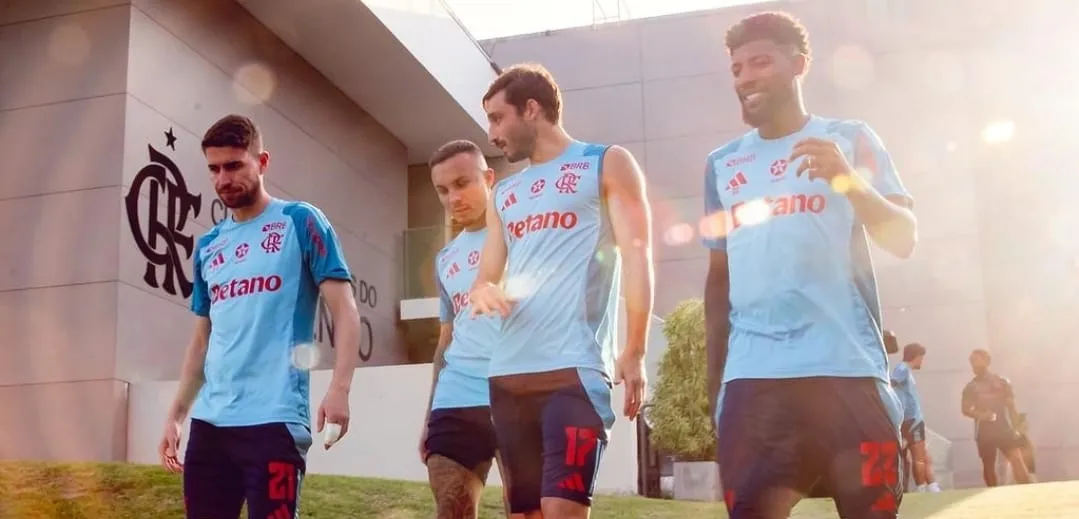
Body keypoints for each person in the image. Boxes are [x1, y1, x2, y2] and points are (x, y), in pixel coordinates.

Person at [702, 12, 918, 519]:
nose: (745, 77)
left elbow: (903, 238)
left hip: (847, 373)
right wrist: (718, 389)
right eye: (736, 69)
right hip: (755, 382)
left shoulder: (850, 138)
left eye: (760, 62)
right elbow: (718, 281)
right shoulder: (722, 164)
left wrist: (848, 179)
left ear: (799, 64)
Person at [468, 63, 654, 519]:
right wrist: (484, 291)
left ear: (531, 109)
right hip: (509, 376)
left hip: (574, 371)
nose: (492, 134)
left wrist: (634, 350)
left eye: (497, 118)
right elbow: (485, 276)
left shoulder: (605, 162)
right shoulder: (504, 194)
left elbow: (638, 256)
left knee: (561, 509)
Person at [157, 114, 361, 519]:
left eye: (234, 165)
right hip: (211, 425)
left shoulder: (301, 221)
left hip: (275, 420)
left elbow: (345, 310)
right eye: (214, 169)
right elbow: (202, 340)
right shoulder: (209, 246)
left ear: (262, 162)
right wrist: (176, 416)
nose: (222, 179)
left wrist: (340, 388)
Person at [418, 139, 507, 518]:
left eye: (461, 183)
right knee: (451, 510)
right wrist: (428, 416)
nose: (452, 198)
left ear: (488, 178)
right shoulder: (445, 258)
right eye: (442, 190)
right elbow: (446, 339)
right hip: (456, 397)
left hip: (517, 391)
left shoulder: (522, 234)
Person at [961, 349, 1032, 486]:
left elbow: (1011, 406)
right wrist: (982, 415)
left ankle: (1027, 489)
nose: (974, 365)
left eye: (976, 360)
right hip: (984, 432)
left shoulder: (1002, 382)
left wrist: (1018, 425)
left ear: (987, 361)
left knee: (1016, 459)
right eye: (972, 362)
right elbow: (965, 409)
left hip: (1004, 429)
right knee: (988, 465)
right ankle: (992, 493)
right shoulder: (970, 387)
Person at [890, 343, 942, 493]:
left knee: (925, 456)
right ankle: (922, 488)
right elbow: (891, 383)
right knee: (918, 457)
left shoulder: (905, 370)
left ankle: (933, 486)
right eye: (921, 357)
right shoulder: (902, 369)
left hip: (914, 419)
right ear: (916, 356)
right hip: (911, 420)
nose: (922, 361)